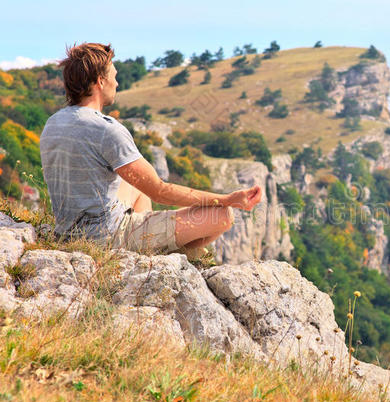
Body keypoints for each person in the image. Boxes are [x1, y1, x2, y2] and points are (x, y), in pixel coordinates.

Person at [40, 42, 262, 259]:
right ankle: (167, 255)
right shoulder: (107, 130)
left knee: (135, 186)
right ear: (100, 81)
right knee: (222, 215)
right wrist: (227, 199)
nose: (117, 83)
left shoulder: (53, 123)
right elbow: (160, 191)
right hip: (107, 237)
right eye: (114, 77)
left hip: (66, 233)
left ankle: (152, 248)